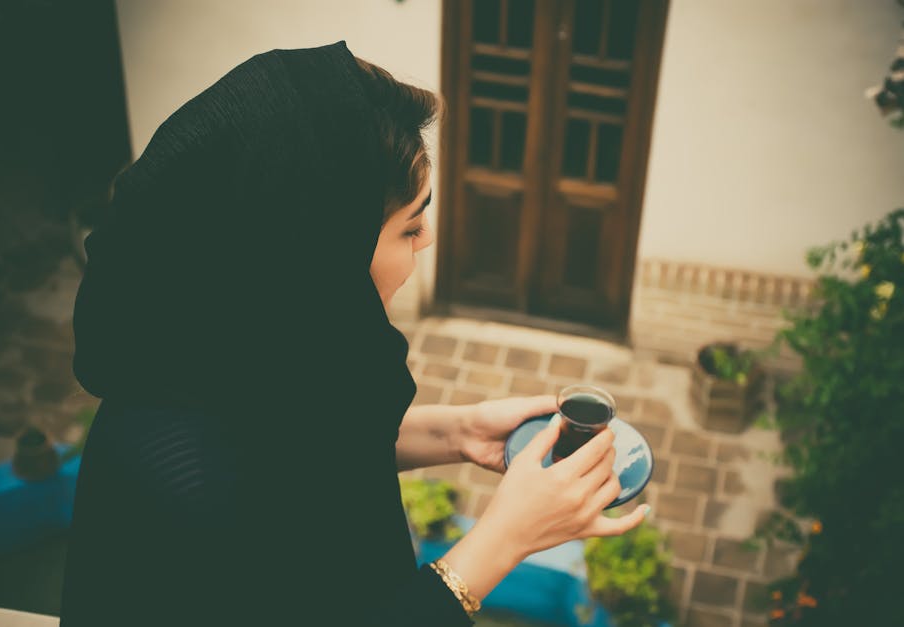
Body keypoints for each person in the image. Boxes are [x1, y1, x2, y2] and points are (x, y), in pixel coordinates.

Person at [59, 41, 648, 626]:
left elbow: (299, 444)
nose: (429, 240)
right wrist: (502, 541)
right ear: (318, 254)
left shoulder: (231, 345)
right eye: (410, 227)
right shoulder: (186, 487)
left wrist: (459, 431)